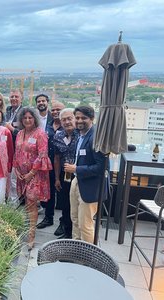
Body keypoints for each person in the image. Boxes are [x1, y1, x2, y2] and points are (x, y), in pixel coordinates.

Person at [64, 105, 107, 244]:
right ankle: (77, 249)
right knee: (75, 219)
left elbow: (101, 167)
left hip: (90, 187)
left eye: (84, 118)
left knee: (85, 224)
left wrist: (76, 169)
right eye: (77, 118)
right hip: (78, 181)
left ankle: (88, 257)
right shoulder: (81, 135)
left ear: (92, 119)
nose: (79, 120)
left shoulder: (96, 137)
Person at [13, 107, 52, 250]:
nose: (28, 120)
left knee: (31, 203)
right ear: (21, 120)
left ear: (35, 119)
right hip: (22, 174)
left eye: (30, 117)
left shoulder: (40, 134)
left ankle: (31, 236)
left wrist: (31, 173)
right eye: (25, 118)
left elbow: (43, 155)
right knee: (26, 203)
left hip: (35, 174)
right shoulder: (19, 133)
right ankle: (27, 229)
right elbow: (17, 153)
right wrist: (16, 169)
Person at [53, 108, 79, 239]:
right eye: (64, 120)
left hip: (79, 174)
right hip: (64, 174)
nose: (67, 122)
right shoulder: (58, 135)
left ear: (75, 119)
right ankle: (67, 231)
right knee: (65, 203)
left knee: (76, 205)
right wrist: (57, 178)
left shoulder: (81, 135)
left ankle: (76, 234)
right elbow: (56, 158)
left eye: (70, 118)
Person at [35, 94, 57, 230]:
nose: (41, 103)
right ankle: (40, 209)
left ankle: (49, 217)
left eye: (43, 101)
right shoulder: (33, 118)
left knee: (50, 188)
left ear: (47, 102)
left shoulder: (54, 118)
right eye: (39, 101)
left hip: (51, 159)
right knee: (39, 186)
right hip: (36, 158)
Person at [5, 89, 24, 207]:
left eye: (16, 97)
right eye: (12, 97)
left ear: (21, 99)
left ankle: (14, 202)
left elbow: (25, 132)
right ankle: (10, 198)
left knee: (14, 177)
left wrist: (11, 129)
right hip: (7, 147)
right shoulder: (8, 110)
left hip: (18, 149)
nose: (14, 99)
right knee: (8, 175)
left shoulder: (24, 112)